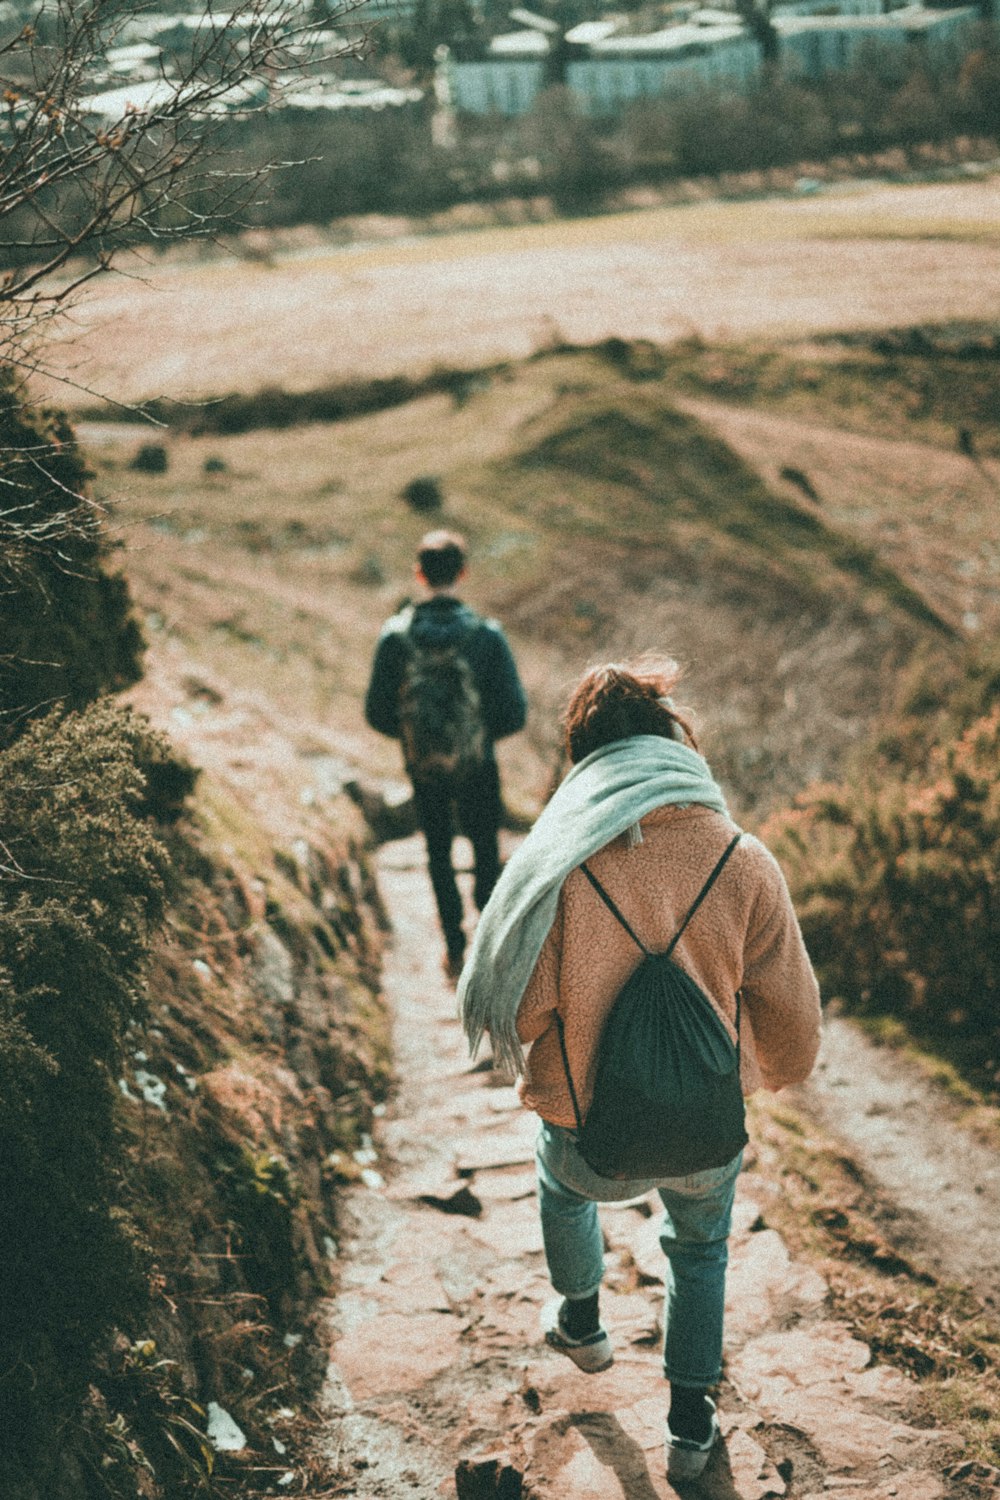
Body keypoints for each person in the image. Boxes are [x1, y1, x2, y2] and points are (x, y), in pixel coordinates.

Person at [459, 659, 821, 1483]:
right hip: (705, 1136)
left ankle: (582, 1320)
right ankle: (691, 1430)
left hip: (593, 1143)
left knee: (556, 1181)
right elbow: (794, 1027)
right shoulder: (743, 859)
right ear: (672, 746)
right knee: (700, 1253)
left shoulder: (563, 870)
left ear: (585, 760)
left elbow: (521, 1018)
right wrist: (755, 1074)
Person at [365, 529, 528, 979]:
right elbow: (514, 712)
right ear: (463, 573)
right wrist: (477, 735)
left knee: (438, 851)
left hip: (424, 768)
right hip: (479, 766)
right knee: (484, 850)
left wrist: (413, 737)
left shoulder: (396, 638)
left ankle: (454, 947)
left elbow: (376, 711)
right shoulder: (487, 637)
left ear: (419, 574)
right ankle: (490, 947)